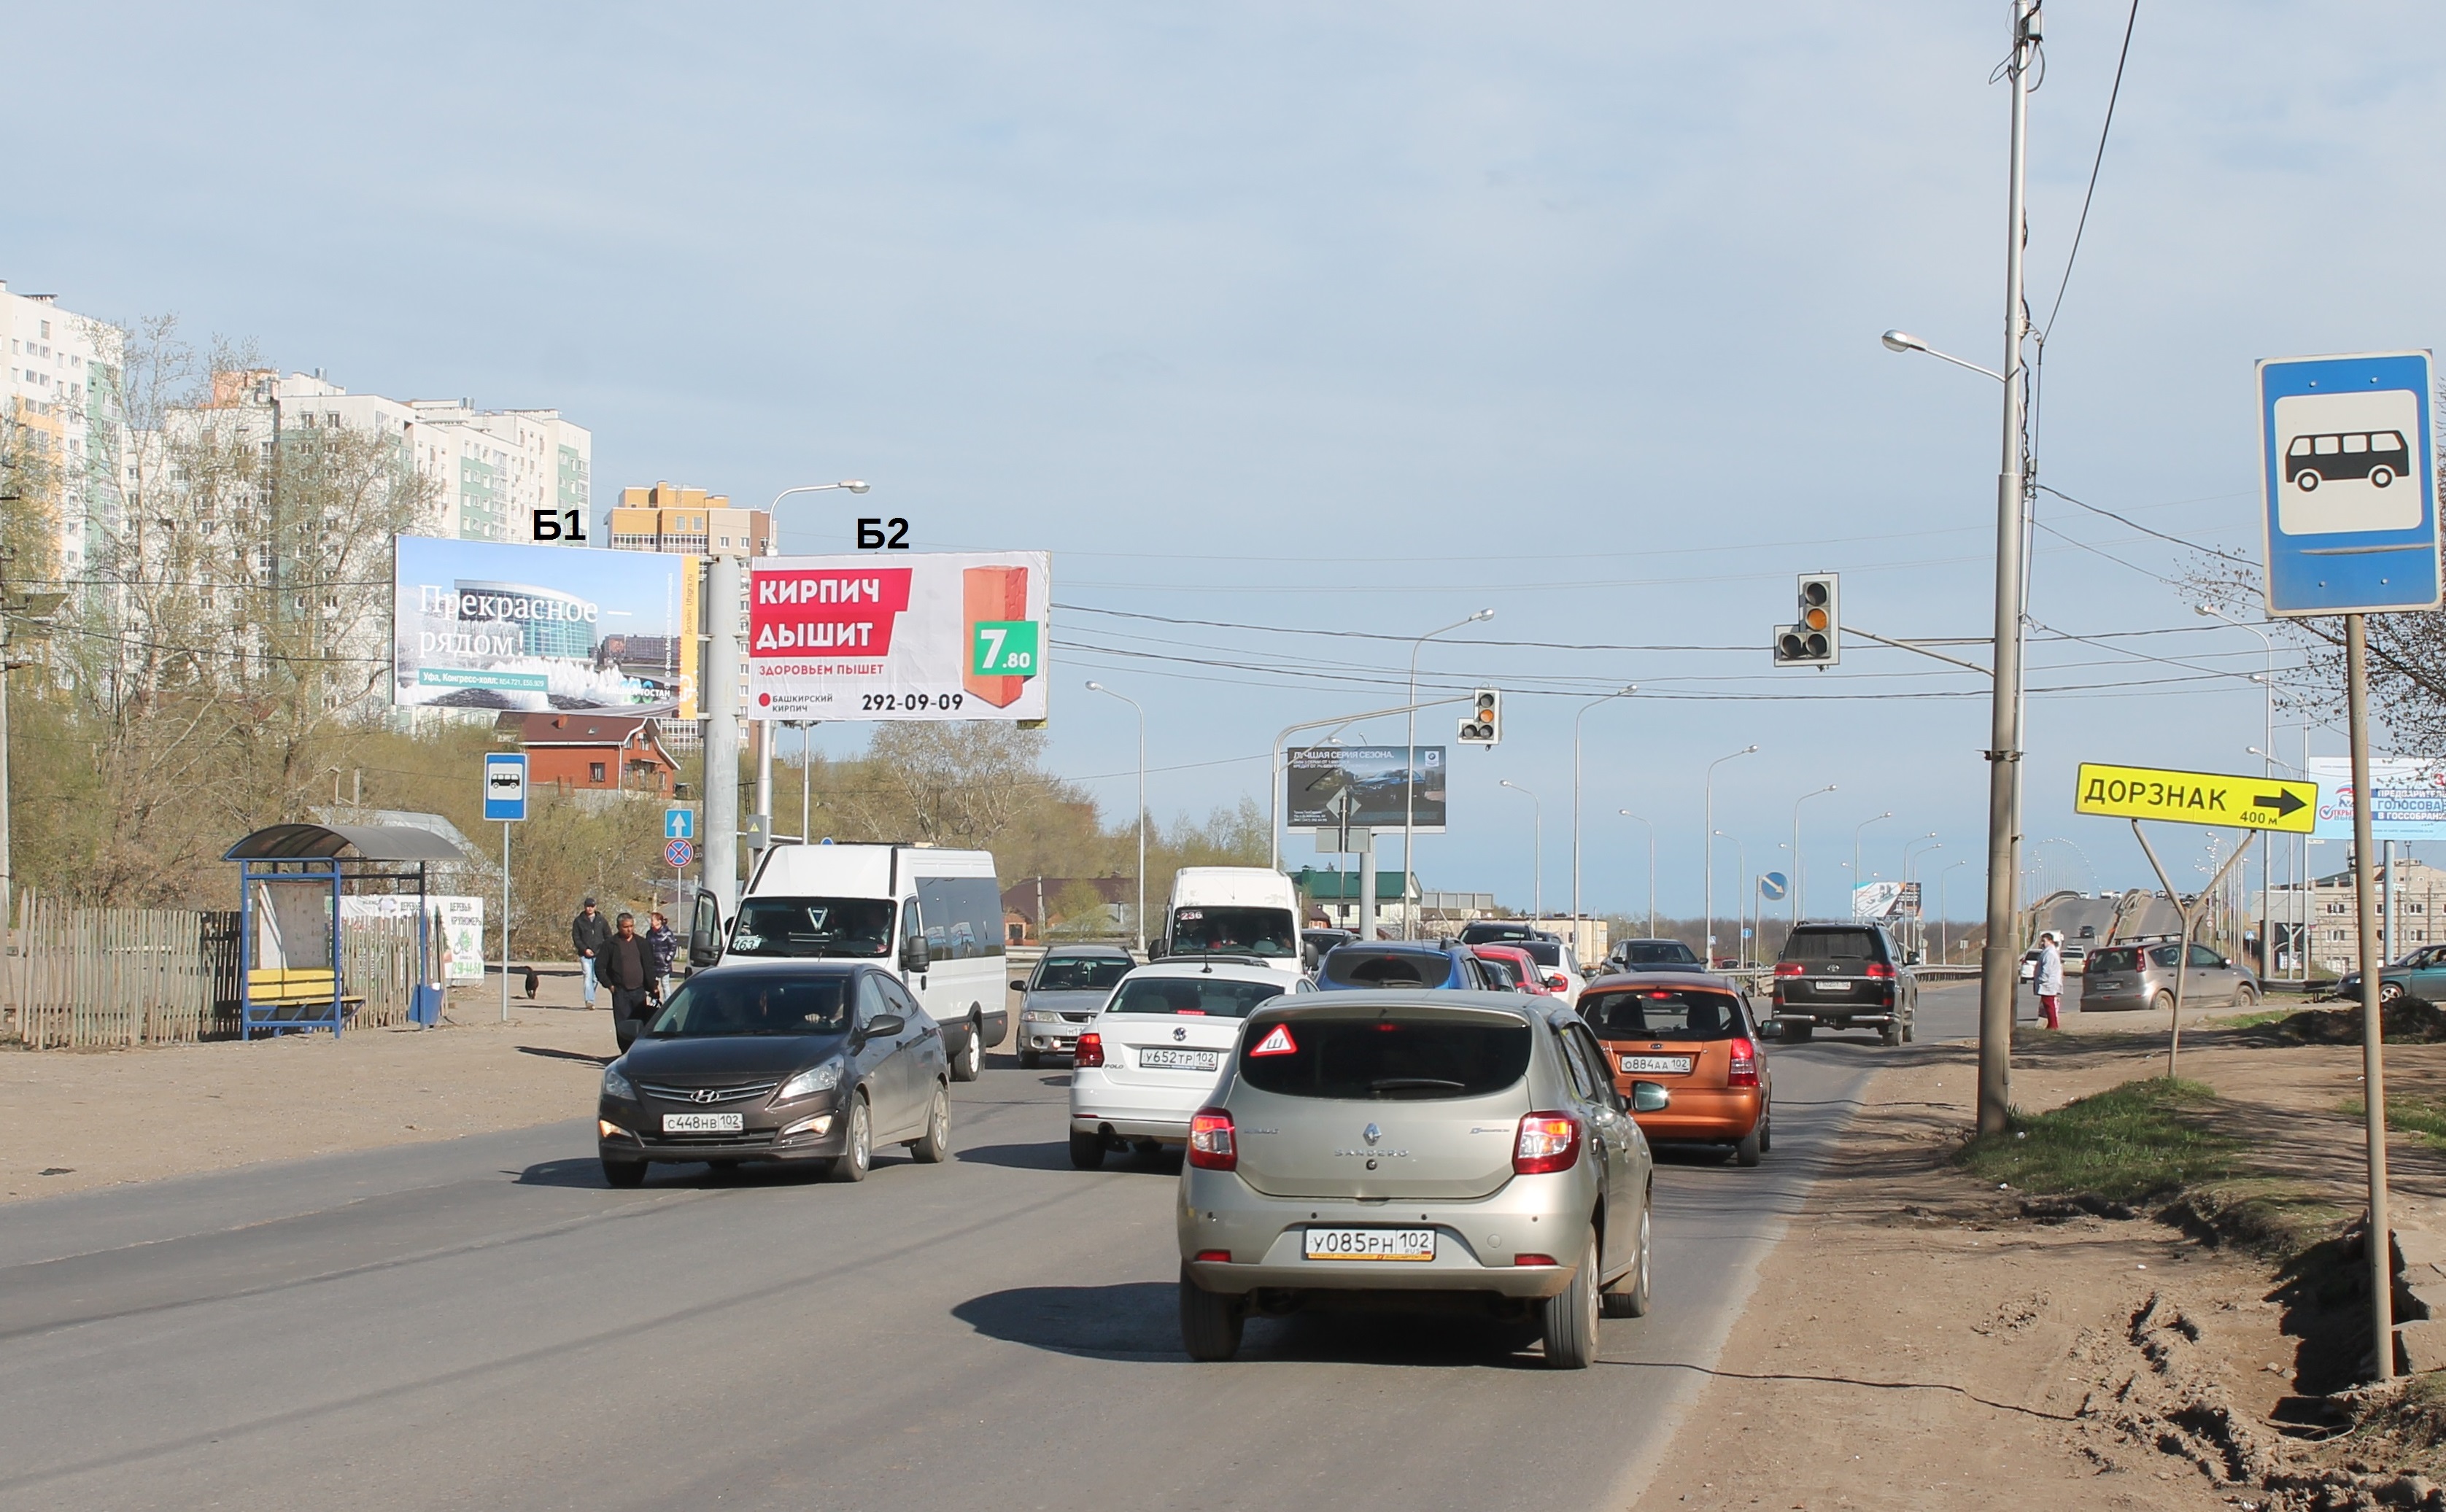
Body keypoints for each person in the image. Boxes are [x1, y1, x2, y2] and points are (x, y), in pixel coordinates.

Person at [603, 911, 654, 1044]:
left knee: (640, 1024)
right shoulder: (611, 944)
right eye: (626, 927)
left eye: (631, 926)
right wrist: (610, 985)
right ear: (619, 927)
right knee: (623, 1025)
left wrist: (653, 986)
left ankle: (638, 1050)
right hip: (621, 992)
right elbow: (599, 967)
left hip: (639, 992)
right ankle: (624, 1053)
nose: (629, 929)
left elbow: (649, 966)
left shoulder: (642, 943)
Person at [571, 897, 611, 1009]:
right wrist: (585, 949)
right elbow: (576, 938)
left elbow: (608, 936)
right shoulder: (579, 921)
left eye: (592, 906)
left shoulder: (601, 920)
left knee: (595, 978)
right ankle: (589, 1000)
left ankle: (590, 996)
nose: (590, 908)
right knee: (587, 975)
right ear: (585, 907)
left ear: (595, 907)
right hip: (585, 955)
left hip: (599, 954)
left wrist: (606, 950)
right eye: (588, 906)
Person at [644, 910, 679, 1000]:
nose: (651, 922)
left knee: (665, 984)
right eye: (651, 920)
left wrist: (668, 958)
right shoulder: (650, 933)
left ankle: (667, 1001)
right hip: (653, 963)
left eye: (653, 920)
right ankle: (654, 1000)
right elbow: (647, 946)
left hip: (663, 963)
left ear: (659, 921)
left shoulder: (667, 933)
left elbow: (673, 946)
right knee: (653, 984)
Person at [2035, 930, 2065, 1031]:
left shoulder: (2050, 953)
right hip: (2048, 983)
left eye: (2044, 941)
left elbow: (2047, 969)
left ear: (2050, 941)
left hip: (2048, 983)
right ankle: (2052, 1024)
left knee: (2049, 1004)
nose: (2042, 943)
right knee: (2048, 1004)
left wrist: (2042, 980)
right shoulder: (2049, 952)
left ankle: (2053, 1025)